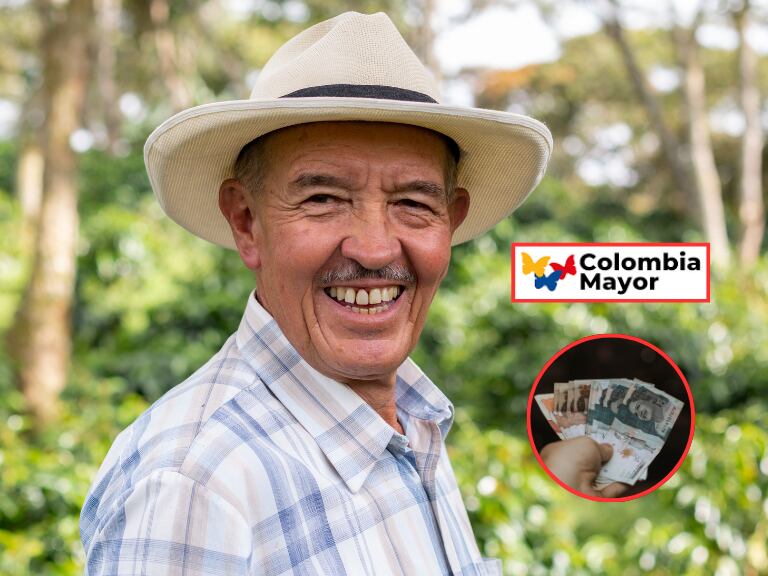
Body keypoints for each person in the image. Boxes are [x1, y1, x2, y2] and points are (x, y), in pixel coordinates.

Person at [80, 11, 623, 575]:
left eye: (414, 203)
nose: (374, 249)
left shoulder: (414, 424)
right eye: (322, 198)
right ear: (246, 221)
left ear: (451, 222)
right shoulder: (194, 483)